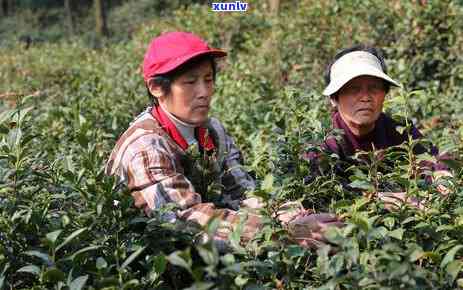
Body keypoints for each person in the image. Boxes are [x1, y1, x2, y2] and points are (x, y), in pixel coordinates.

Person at [105, 31, 342, 250]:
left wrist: (290, 215)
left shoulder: (212, 130)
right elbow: (183, 222)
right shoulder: (145, 147)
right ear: (157, 87)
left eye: (208, 79)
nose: (204, 91)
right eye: (190, 82)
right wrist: (284, 233)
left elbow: (242, 190)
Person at [306, 44, 451, 209]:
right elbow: (317, 198)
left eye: (374, 88)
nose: (365, 97)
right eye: (354, 89)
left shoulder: (398, 130)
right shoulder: (324, 144)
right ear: (334, 98)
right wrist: (384, 200)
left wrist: (442, 173)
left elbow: (435, 158)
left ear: (385, 94)